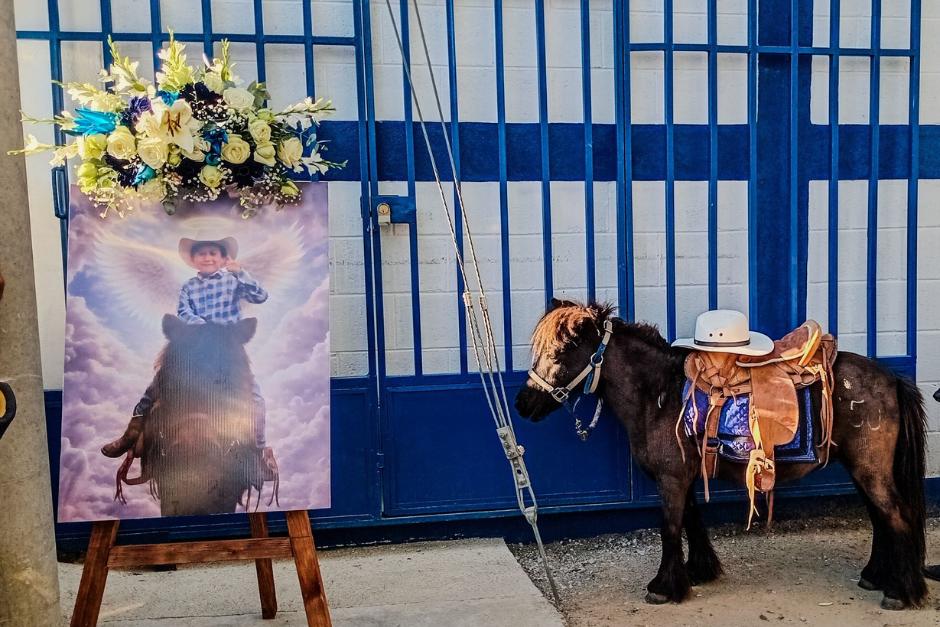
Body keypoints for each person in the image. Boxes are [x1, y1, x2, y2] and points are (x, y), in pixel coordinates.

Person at [101, 233, 275, 480]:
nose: (207, 258)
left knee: (255, 397)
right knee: (158, 384)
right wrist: (202, 329)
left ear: (224, 258)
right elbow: (183, 310)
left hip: (228, 346)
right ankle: (132, 433)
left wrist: (240, 273)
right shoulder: (189, 287)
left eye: (213, 253)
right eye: (202, 254)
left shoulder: (234, 282)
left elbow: (261, 296)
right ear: (193, 260)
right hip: (194, 344)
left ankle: (257, 450)